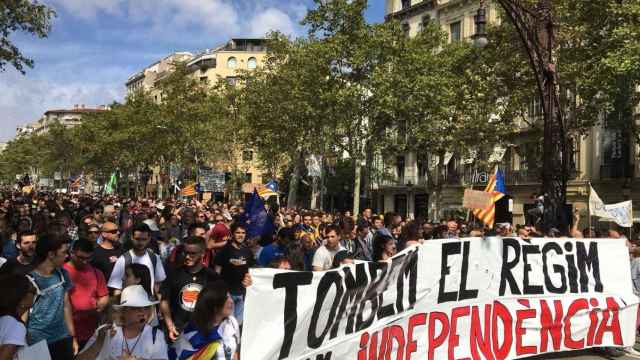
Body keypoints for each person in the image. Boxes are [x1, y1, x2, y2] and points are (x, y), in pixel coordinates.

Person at [76, 285, 168, 360]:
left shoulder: (156, 336)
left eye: (146, 308)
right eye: (135, 308)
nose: (142, 312)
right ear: (122, 311)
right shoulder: (105, 331)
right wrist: (99, 343)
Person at [161, 236, 222, 341]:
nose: (187, 256)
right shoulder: (174, 274)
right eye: (186, 252)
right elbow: (164, 300)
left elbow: (221, 304)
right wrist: (170, 326)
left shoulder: (212, 277)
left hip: (202, 332)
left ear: (203, 253)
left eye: (192, 253)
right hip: (177, 331)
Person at [26, 233, 77, 359]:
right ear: (51, 254)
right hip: (37, 340)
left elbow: (66, 306)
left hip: (62, 338)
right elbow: (24, 313)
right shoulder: (30, 279)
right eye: (64, 252)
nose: (67, 256)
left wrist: (72, 336)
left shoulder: (63, 274)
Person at [171, 281, 240, 360]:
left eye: (230, 297)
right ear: (214, 305)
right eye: (226, 299)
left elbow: (235, 352)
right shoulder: (192, 336)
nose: (231, 301)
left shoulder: (232, 322)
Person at [64, 239, 109, 349]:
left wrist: (101, 304)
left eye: (88, 258)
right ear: (71, 253)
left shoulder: (96, 272)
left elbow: (104, 295)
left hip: (91, 333)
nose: (84, 261)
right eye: (81, 258)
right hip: (67, 334)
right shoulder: (61, 273)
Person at [108, 223, 166, 297]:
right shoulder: (123, 260)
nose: (141, 242)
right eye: (137, 239)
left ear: (149, 239)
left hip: (149, 305)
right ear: (132, 237)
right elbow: (117, 288)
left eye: (144, 239)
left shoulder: (155, 258)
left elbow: (158, 283)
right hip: (129, 306)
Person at [214, 223, 254, 326]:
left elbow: (251, 272)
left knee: (238, 325)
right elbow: (216, 273)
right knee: (228, 325)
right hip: (227, 294)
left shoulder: (248, 252)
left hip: (242, 294)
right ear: (232, 234)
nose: (241, 235)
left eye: (243, 233)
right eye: (238, 232)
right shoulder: (224, 251)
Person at [0, 274, 36, 360]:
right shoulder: (17, 326)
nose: (36, 294)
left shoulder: (5, 318)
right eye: (33, 291)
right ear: (22, 299)